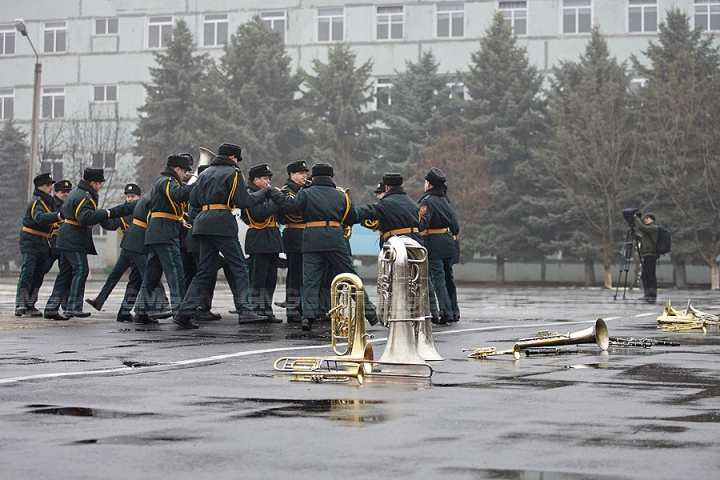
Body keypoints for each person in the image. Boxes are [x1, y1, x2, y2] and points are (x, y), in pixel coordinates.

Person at [268, 162, 378, 331]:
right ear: (331, 177)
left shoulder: (306, 193)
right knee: (350, 275)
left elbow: (290, 206)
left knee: (310, 280)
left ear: (313, 177)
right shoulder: (341, 195)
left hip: (312, 239)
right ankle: (370, 313)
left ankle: (308, 317)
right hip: (335, 238)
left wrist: (275, 193)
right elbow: (352, 217)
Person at [174, 143, 269, 329]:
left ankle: (184, 312)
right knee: (240, 267)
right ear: (233, 157)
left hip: (202, 224)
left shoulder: (205, 173)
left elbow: (193, 200)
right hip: (222, 223)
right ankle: (245, 310)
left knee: (205, 271)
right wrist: (264, 193)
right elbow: (243, 201)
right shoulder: (233, 173)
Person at [43, 168, 135, 320]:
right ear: (93, 183)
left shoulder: (77, 193)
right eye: (99, 184)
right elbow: (85, 218)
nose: (100, 187)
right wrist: (106, 213)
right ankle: (74, 307)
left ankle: (51, 307)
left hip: (66, 238)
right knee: (81, 270)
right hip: (74, 239)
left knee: (64, 274)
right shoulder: (85, 197)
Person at [85, 184, 169, 322]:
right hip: (133, 248)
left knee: (135, 281)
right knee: (145, 276)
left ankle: (125, 311)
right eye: (128, 196)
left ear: (139, 197)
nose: (130, 199)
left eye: (133, 196)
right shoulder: (133, 209)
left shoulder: (141, 206)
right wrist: (98, 216)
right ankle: (159, 305)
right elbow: (111, 224)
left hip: (135, 247)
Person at [134, 154, 195, 324]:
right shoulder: (167, 181)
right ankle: (181, 312)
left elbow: (170, 206)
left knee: (152, 276)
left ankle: (141, 309)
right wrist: (196, 185)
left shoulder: (166, 181)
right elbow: (178, 195)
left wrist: (179, 220)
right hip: (164, 234)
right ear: (177, 169)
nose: (187, 175)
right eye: (185, 171)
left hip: (160, 232)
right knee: (176, 273)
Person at [15, 173, 63, 317]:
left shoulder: (49, 201)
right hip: (31, 240)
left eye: (51, 185)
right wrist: (57, 216)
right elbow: (40, 218)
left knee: (38, 275)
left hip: (43, 241)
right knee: (28, 272)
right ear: (39, 187)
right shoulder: (37, 201)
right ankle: (20, 303)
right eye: (48, 185)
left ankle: (30, 304)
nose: (50, 188)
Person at [240, 163, 284, 323]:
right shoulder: (250, 194)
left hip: (271, 239)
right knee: (258, 279)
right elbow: (260, 214)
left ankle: (267, 309)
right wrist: (277, 199)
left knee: (270, 280)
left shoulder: (267, 195)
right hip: (259, 240)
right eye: (265, 178)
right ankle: (255, 309)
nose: (268, 182)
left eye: (269, 179)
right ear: (255, 179)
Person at [418, 167, 460, 325]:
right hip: (448, 241)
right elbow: (455, 224)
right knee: (449, 278)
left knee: (438, 279)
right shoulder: (444, 200)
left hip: (434, 243)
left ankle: (445, 312)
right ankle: (454, 311)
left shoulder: (427, 201)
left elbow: (422, 223)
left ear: (429, 184)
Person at [276, 160, 310, 323]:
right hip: (294, 233)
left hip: (307, 233)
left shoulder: (307, 190)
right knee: (295, 274)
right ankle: (292, 308)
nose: (305, 175)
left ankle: (304, 307)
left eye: (305, 173)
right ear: (292, 175)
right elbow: (289, 213)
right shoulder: (285, 192)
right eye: (301, 173)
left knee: (306, 275)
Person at [354, 172, 422, 245]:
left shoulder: (385, 204)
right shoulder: (412, 203)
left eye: (379, 193)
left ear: (386, 188)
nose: (378, 197)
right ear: (401, 185)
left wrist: (350, 213)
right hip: (416, 244)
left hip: (396, 245)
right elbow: (421, 222)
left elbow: (368, 211)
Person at [634, 212, 659, 304]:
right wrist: (634, 235)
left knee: (650, 276)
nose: (645, 220)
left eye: (647, 218)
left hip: (651, 255)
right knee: (645, 275)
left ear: (652, 220)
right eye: (644, 218)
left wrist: (635, 218)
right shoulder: (649, 231)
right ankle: (647, 294)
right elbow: (642, 239)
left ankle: (651, 295)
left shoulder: (653, 228)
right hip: (647, 255)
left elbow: (641, 228)